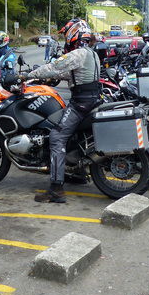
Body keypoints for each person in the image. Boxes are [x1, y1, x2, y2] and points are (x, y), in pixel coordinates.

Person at [20, 19, 101, 204]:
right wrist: (51, 79)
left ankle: (56, 190)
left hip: (81, 104)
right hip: (92, 100)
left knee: (56, 137)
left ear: (73, 34)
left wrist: (27, 75)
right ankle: (78, 173)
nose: (66, 39)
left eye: (67, 35)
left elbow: (54, 66)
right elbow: (69, 73)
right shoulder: (91, 54)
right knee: (72, 136)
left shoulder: (77, 53)